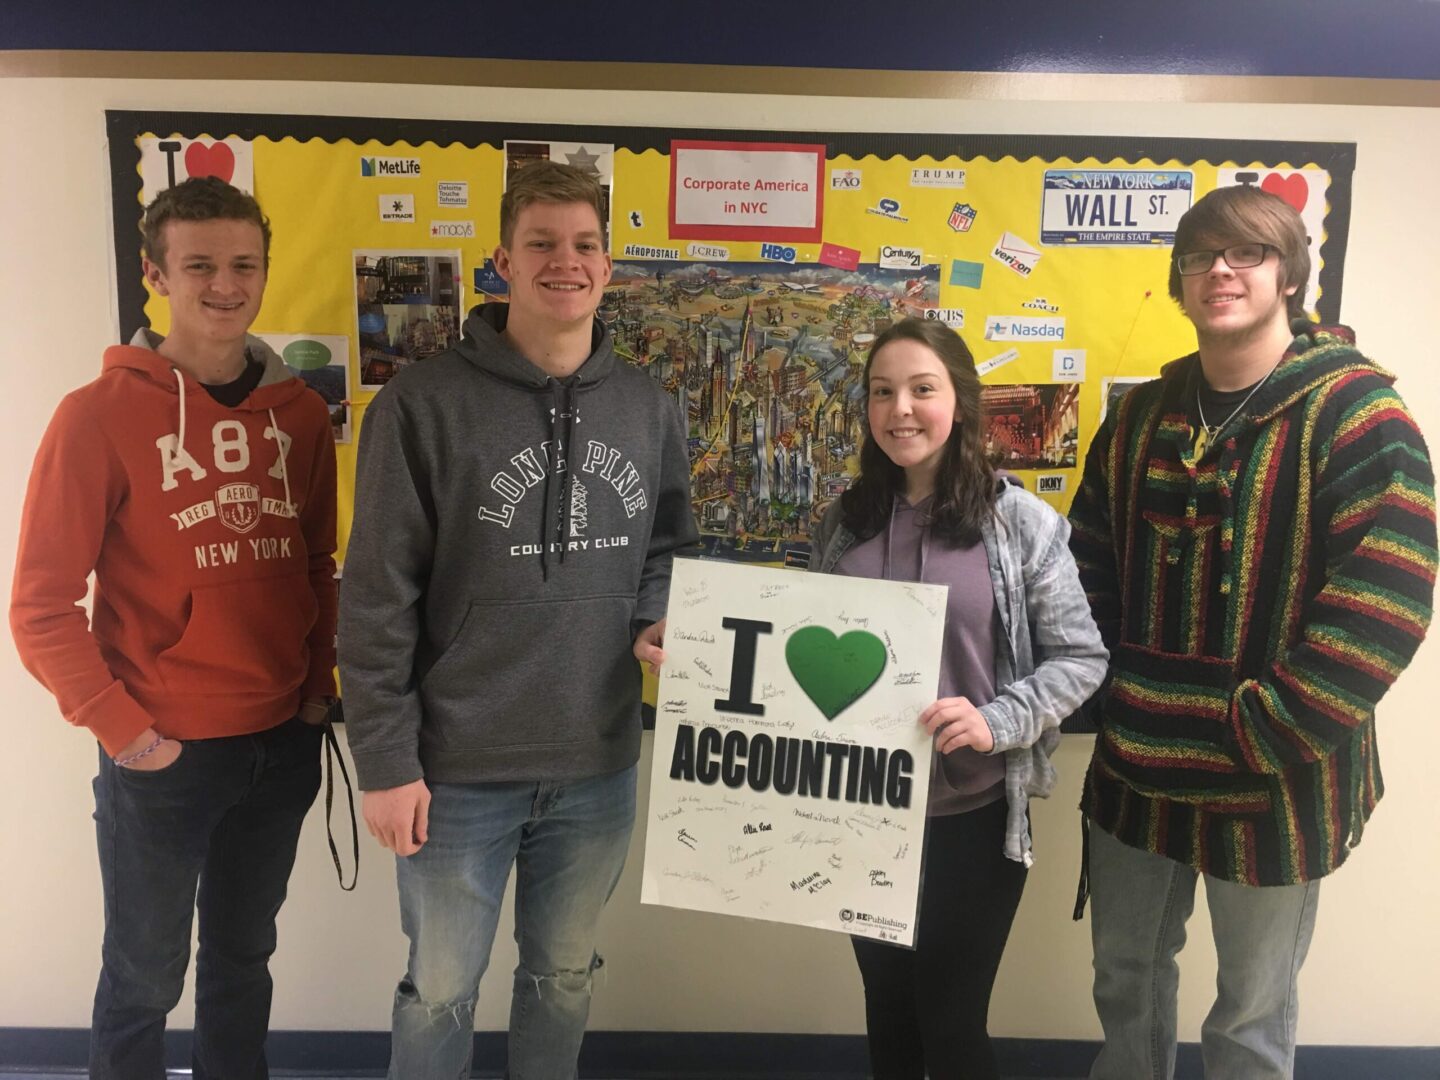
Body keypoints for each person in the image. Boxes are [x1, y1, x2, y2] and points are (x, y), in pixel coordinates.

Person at [1068, 185, 1437, 1080]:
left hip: (1273, 777)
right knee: (1124, 978)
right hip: (1137, 766)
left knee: (1251, 1012)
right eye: (1201, 257)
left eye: (1248, 254)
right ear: (1180, 279)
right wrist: (1100, 701)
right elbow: (1086, 574)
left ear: (1288, 275)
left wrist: (1264, 730)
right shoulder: (1140, 419)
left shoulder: (1357, 414)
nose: (1221, 272)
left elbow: (1388, 597)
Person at [340, 160, 697, 1080]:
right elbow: (376, 595)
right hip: (456, 772)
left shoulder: (649, 408)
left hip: (597, 764)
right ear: (501, 260)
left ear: (609, 266)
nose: (564, 262)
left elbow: (666, 546)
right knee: (441, 989)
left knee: (565, 979)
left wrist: (656, 616)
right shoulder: (419, 406)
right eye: (541, 243)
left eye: (584, 245)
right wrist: (383, 762)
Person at [10, 176, 339, 1080]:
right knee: (144, 977)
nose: (224, 285)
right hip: (163, 753)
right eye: (200, 266)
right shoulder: (97, 416)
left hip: (279, 746)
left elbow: (317, 566)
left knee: (243, 964)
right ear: (157, 275)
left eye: (244, 265)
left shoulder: (303, 418)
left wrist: (316, 695)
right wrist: (128, 732)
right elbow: (39, 605)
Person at [808, 317, 1108, 1080]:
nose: (899, 409)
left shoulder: (1021, 525)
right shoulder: (843, 527)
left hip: (971, 821)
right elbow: (798, 651)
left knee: (951, 1021)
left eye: (922, 389)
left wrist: (996, 719)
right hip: (860, 814)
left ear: (961, 403)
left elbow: (1081, 657)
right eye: (882, 392)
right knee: (888, 1008)